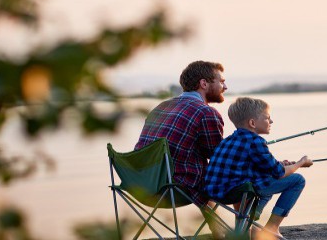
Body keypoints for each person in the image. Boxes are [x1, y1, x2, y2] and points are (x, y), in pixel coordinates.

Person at [134, 60, 227, 235]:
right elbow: (217, 158)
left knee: (199, 172)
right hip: (173, 189)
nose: (225, 86)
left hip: (142, 184)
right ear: (204, 83)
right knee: (240, 175)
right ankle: (236, 233)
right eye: (221, 81)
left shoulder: (160, 107)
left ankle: (220, 231)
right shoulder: (206, 112)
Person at [205, 97, 313, 239]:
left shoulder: (227, 140)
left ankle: (250, 222)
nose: (271, 121)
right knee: (297, 180)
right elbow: (279, 173)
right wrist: (300, 163)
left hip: (214, 192)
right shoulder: (256, 141)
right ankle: (271, 227)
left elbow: (254, 164)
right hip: (238, 192)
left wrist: (280, 163)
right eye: (268, 118)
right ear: (252, 123)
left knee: (265, 176)